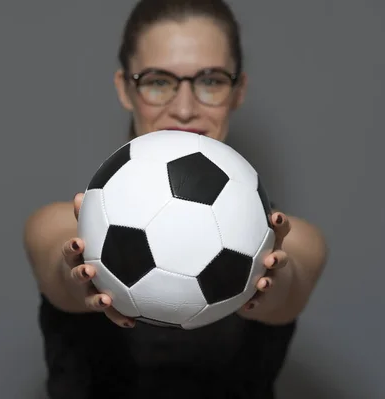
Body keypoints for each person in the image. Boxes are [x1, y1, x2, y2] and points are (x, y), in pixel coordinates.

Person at [23, 1, 328, 398]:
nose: (184, 108)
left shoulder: (294, 240)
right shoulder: (59, 224)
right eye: (157, 81)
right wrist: (82, 275)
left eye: (212, 81)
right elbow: (60, 272)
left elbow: (287, 289)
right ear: (125, 89)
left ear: (238, 91)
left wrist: (266, 279)